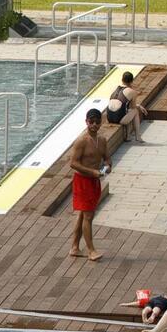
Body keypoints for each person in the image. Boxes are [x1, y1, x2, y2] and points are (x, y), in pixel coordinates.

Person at [66, 108, 110, 261]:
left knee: (82, 215)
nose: (94, 125)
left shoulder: (102, 140)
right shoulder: (81, 141)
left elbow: (107, 158)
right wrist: (92, 172)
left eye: (97, 122)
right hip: (82, 181)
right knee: (88, 216)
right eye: (91, 122)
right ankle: (91, 250)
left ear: (101, 123)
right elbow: (73, 163)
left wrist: (107, 166)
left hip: (94, 181)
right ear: (86, 122)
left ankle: (75, 247)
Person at [102, 71, 142, 143]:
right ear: (132, 81)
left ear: (122, 80)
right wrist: (139, 106)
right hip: (119, 119)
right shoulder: (132, 92)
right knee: (135, 111)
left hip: (109, 118)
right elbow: (133, 107)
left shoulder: (116, 89)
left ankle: (128, 136)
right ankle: (138, 136)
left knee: (126, 110)